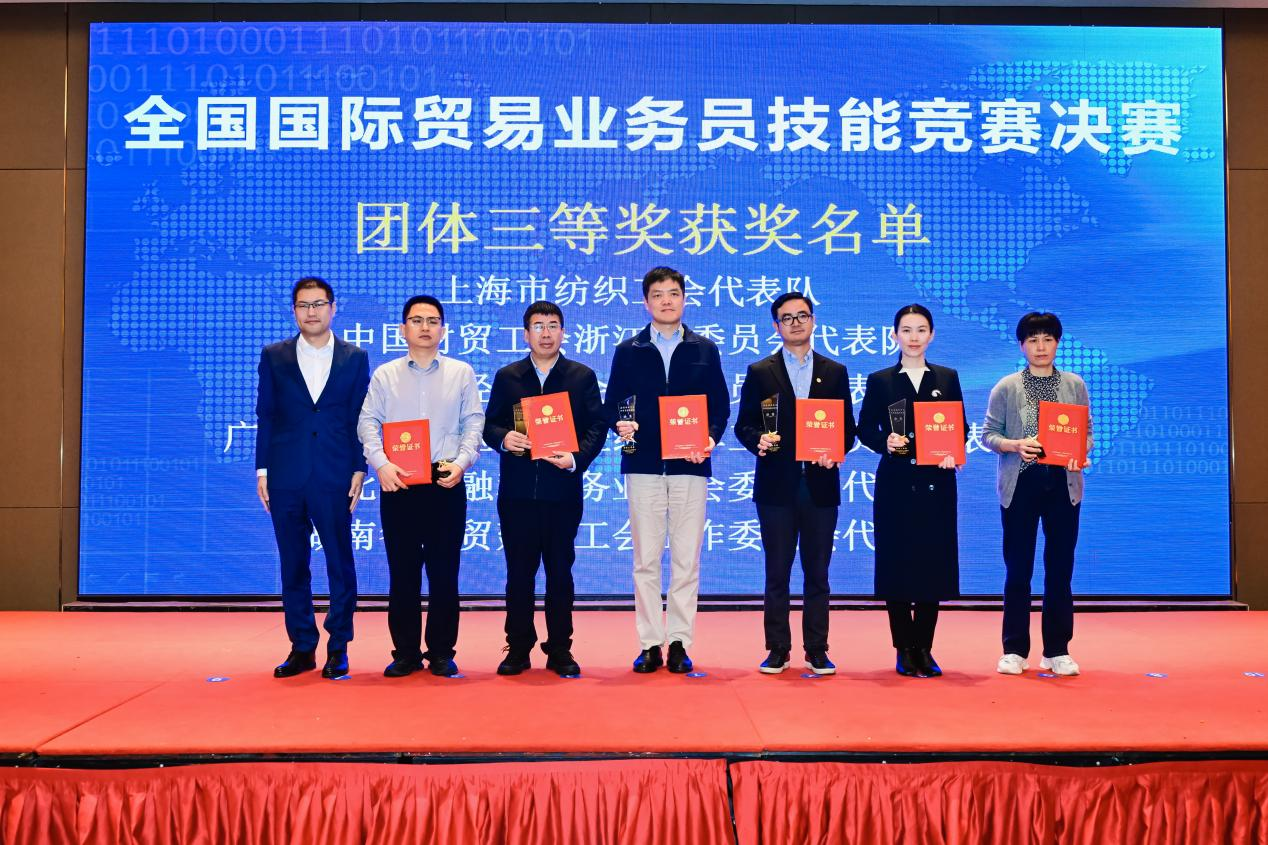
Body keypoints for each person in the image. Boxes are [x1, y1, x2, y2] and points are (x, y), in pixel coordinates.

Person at [603, 266, 730, 674]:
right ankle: (649, 643)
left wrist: (709, 438)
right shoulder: (629, 350)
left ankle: (679, 641)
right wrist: (620, 425)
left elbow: (720, 406)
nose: (666, 301)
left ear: (684, 299)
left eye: (673, 293)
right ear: (646, 302)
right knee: (645, 559)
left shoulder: (704, 349)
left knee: (686, 560)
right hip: (642, 465)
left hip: (691, 466)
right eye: (657, 294)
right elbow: (613, 404)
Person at [358, 295, 484, 679]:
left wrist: (462, 463)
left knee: (445, 573)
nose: (425, 327)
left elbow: (473, 422)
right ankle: (406, 653)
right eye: (416, 320)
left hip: (446, 477)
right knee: (403, 572)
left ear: (443, 329)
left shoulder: (461, 372)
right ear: (403, 329)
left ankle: (442, 652)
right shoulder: (385, 375)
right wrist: (381, 464)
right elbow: (367, 422)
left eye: (432, 321)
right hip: (400, 481)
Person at [482, 301, 608, 677]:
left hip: (562, 492)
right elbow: (489, 424)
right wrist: (504, 438)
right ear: (526, 335)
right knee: (519, 574)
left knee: (559, 573)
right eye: (538, 326)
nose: (546, 333)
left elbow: (597, 426)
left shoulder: (581, 376)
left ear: (563, 332)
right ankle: (518, 647)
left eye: (553, 325)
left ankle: (560, 649)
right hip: (517, 493)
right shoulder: (509, 376)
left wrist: (575, 458)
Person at [734, 292, 855, 675]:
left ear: (813, 321)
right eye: (787, 318)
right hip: (776, 486)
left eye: (802, 316)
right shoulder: (760, 371)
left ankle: (817, 649)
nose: (796, 323)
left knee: (818, 574)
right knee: (777, 573)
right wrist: (759, 440)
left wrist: (835, 450)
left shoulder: (834, 371)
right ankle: (777, 649)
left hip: (820, 485)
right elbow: (743, 425)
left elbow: (847, 429)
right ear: (776, 326)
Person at [255, 276, 369, 679]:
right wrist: (262, 469)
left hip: (335, 473)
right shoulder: (275, 356)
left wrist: (359, 467)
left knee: (340, 563)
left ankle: (339, 647)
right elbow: (266, 415)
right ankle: (302, 646)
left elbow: (359, 417)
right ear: (294, 311)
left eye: (319, 304)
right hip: (285, 474)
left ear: (333, 308)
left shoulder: (355, 357)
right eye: (303, 305)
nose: (311, 312)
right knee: (293, 564)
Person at [857, 304, 965, 678]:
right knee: (897, 563)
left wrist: (953, 450)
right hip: (896, 483)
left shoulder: (947, 377)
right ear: (894, 336)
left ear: (931, 335)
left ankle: (925, 647)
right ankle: (904, 647)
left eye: (921, 330)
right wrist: (884, 442)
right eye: (906, 330)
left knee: (933, 563)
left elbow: (961, 427)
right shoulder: (881, 380)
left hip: (937, 483)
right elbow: (864, 428)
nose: (914, 337)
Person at [983, 312, 1091, 677]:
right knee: (1018, 569)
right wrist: (1014, 444)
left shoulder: (1074, 385)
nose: (1040, 346)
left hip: (1063, 485)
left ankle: (1057, 650)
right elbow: (988, 435)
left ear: (1058, 343)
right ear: (1021, 345)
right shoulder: (1007, 386)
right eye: (1033, 339)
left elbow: (1086, 432)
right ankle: (1014, 649)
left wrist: (1080, 451)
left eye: (1047, 339)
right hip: (1021, 485)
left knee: (1060, 569)